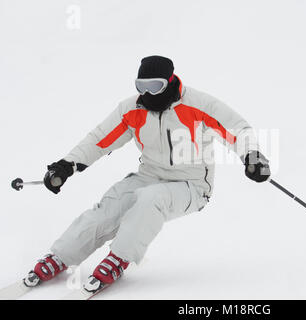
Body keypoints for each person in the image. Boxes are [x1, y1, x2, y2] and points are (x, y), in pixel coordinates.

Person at [24, 55, 270, 293]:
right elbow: (99, 139)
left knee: (151, 199)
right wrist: (67, 164)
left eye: (156, 86)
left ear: (170, 81)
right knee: (108, 208)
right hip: (149, 175)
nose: (149, 93)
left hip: (192, 185)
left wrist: (252, 155)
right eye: (142, 86)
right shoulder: (133, 108)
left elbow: (236, 128)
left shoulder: (198, 104)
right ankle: (61, 256)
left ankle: (119, 258)